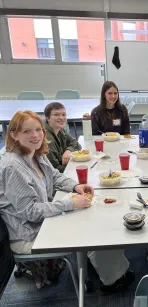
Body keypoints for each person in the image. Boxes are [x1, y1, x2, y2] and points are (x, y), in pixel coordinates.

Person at [0, 111, 134, 293]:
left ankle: (110, 270)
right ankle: (112, 279)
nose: (35, 135)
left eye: (38, 129)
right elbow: (29, 212)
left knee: (94, 214)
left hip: (40, 222)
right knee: (93, 223)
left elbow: (54, 176)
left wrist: (76, 186)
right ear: (13, 134)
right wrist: (71, 204)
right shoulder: (12, 167)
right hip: (29, 233)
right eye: (27, 131)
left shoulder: (34, 153)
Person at [44, 102, 81, 173]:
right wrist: (78, 167)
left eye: (63, 114)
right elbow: (55, 170)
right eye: (56, 115)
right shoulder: (47, 140)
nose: (61, 118)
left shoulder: (59, 129)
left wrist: (68, 151)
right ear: (48, 118)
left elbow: (76, 143)